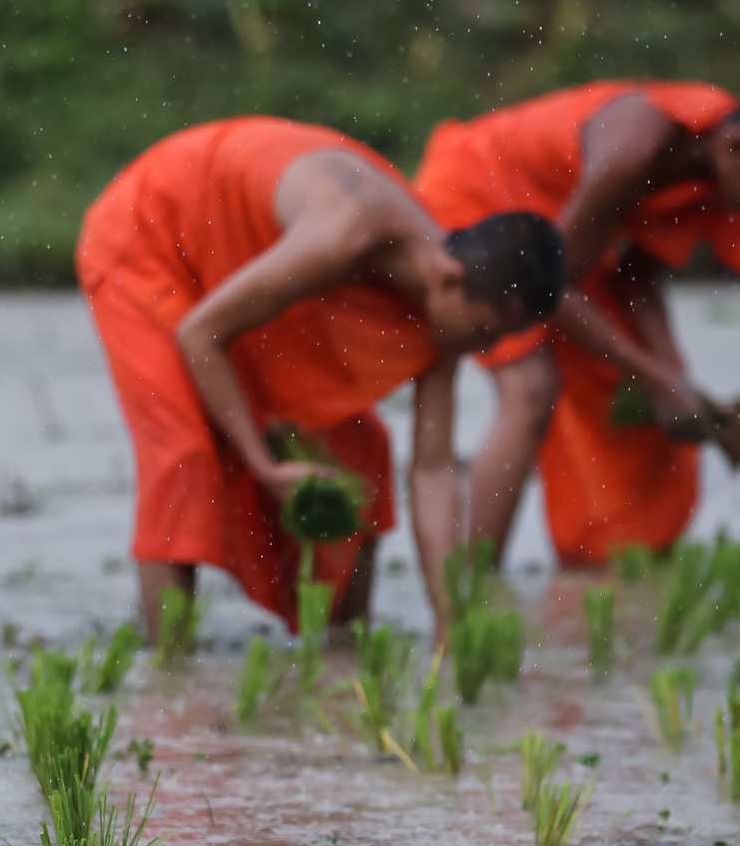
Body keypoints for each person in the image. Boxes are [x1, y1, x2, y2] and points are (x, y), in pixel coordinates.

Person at [77, 116, 564, 644]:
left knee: (361, 450)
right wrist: (264, 464)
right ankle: (170, 673)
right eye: (488, 330)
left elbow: (434, 470)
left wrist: (450, 622)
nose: (488, 350)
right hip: (148, 237)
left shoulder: (445, 311)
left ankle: (343, 647)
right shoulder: (342, 233)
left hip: (231, 265)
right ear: (451, 279)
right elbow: (201, 334)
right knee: (184, 454)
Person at [413, 82, 740, 568]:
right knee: (531, 388)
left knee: (627, 390)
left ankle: (604, 563)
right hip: (480, 200)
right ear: (737, 146)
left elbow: (637, 275)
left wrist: (672, 375)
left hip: (559, 236)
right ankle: (474, 583)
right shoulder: (634, 150)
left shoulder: (707, 167)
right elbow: (551, 292)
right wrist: (656, 378)